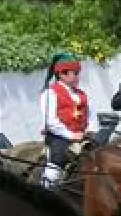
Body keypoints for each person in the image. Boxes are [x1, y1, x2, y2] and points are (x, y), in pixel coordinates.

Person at [38, 51, 97, 187]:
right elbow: (50, 121)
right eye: (74, 73)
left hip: (82, 136)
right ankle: (46, 189)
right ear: (61, 74)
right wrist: (71, 135)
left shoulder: (81, 94)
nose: (77, 76)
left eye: (77, 73)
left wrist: (91, 130)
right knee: (57, 161)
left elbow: (90, 114)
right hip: (58, 137)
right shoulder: (50, 93)